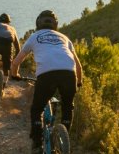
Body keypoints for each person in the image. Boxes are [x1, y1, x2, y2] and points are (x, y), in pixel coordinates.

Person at [10, 10, 83, 151]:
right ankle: (63, 138)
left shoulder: (34, 36)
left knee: (36, 109)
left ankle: (37, 144)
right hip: (69, 74)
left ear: (38, 23)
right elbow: (78, 66)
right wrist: (78, 82)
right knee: (68, 106)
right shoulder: (65, 38)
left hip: (47, 76)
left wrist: (15, 74)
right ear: (55, 24)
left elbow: (16, 62)